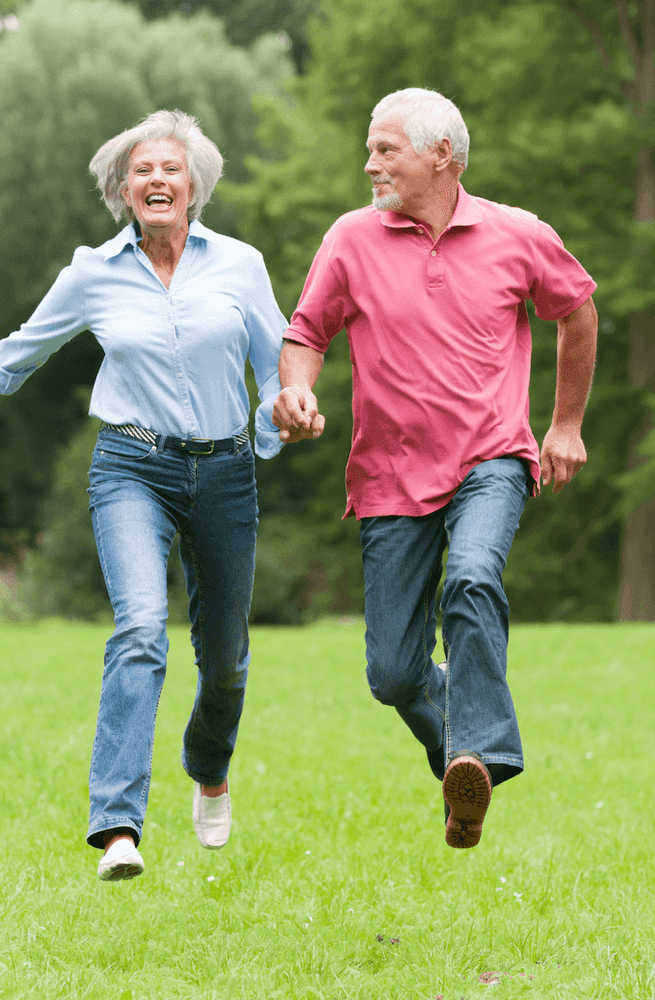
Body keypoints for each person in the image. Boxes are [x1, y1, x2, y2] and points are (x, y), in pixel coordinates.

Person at [0, 109, 288, 880]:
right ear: (122, 188)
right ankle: (118, 829)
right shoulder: (92, 272)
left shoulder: (240, 265)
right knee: (140, 628)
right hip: (130, 467)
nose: (157, 179)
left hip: (226, 473)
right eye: (142, 170)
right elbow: (17, 353)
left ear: (196, 185)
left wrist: (281, 420)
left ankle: (209, 765)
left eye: (171, 169)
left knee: (226, 660)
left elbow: (275, 366)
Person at [272, 88, 597, 849]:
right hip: (389, 476)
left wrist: (566, 425)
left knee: (473, 577)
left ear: (441, 155)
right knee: (391, 673)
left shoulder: (518, 235)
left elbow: (577, 310)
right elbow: (307, 332)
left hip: (491, 456)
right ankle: (462, 757)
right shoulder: (352, 239)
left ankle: (480, 753)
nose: (370, 163)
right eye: (370, 148)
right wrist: (295, 390)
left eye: (386, 149)